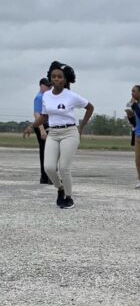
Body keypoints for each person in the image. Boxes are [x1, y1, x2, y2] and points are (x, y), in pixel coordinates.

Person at [22, 61, 94, 209]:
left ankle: (68, 198)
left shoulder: (71, 96)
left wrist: (81, 126)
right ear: (50, 78)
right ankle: (60, 189)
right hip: (53, 133)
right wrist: (31, 126)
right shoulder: (46, 96)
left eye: (60, 77)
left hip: (69, 133)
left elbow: (90, 107)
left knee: (64, 168)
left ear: (65, 80)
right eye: (53, 76)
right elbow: (44, 116)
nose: (56, 79)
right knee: (48, 167)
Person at [32, 77, 52, 183]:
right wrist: (42, 130)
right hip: (42, 126)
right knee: (46, 151)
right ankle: (47, 177)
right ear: (41, 86)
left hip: (45, 125)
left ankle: (45, 177)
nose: (49, 88)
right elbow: (37, 114)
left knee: (46, 151)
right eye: (48, 86)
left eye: (50, 86)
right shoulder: (39, 97)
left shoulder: (45, 97)